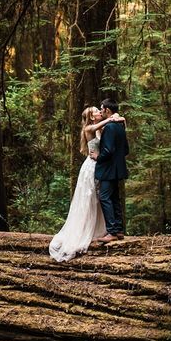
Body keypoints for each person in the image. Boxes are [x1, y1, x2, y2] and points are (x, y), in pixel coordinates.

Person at [48, 105, 125, 262]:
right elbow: (107, 122)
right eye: (96, 111)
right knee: (93, 197)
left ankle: (108, 229)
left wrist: (120, 118)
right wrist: (113, 117)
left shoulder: (102, 127)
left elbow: (113, 123)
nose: (99, 112)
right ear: (91, 117)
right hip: (92, 166)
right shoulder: (89, 128)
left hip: (102, 164)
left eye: (99, 110)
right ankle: (88, 229)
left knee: (103, 197)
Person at [93, 97, 129, 243]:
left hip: (108, 169)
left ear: (107, 110)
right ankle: (119, 230)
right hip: (118, 168)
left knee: (104, 197)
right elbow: (126, 150)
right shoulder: (120, 127)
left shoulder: (109, 127)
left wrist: (98, 157)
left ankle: (112, 232)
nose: (101, 111)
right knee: (114, 198)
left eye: (102, 109)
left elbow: (107, 150)